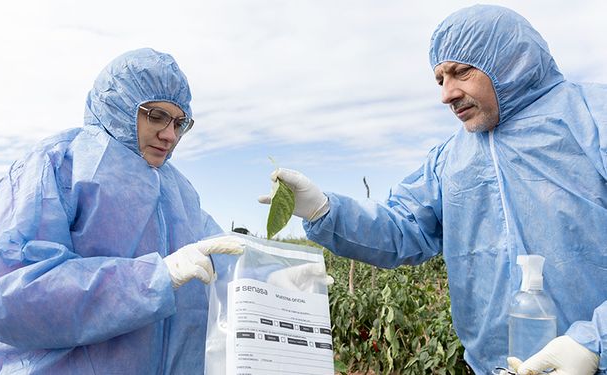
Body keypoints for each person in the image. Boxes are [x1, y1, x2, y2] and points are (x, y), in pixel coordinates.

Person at [259, 5, 606, 374]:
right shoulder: (451, 159)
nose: (447, 94)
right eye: (440, 78)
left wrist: (594, 342)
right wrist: (324, 210)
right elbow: (404, 228)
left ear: (510, 61)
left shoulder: (591, 118)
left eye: (461, 72)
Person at [0, 48, 244, 374]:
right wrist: (155, 278)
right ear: (120, 106)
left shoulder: (180, 192)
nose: (170, 135)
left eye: (180, 123)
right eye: (156, 116)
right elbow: (12, 296)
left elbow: (223, 256)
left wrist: (285, 279)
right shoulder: (61, 165)